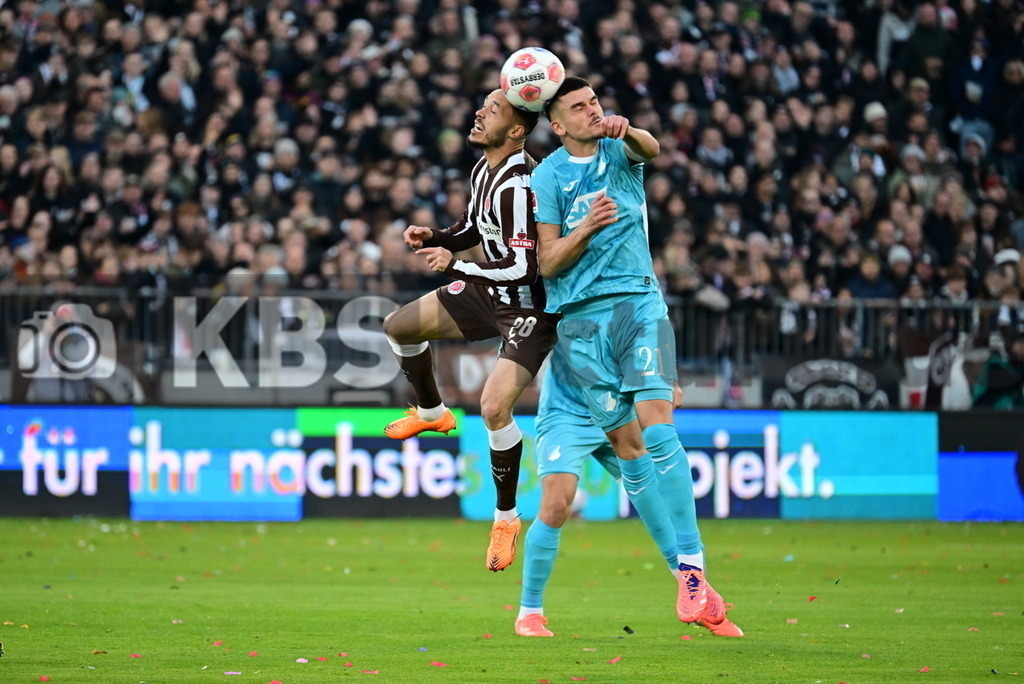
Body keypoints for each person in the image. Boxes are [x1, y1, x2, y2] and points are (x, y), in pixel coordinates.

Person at [531, 76, 742, 636]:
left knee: (656, 422)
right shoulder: (545, 176)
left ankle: (692, 567)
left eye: (595, 101)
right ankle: (683, 576)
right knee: (628, 447)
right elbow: (548, 261)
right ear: (557, 124)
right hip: (579, 324)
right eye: (579, 107)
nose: (592, 111)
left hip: (637, 305)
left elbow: (650, 147)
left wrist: (633, 130)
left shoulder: (621, 150)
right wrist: (584, 228)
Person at [382, 89, 559, 572]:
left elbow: (524, 268)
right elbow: (475, 231)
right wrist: (438, 238)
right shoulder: (485, 170)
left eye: (494, 109)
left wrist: (456, 267)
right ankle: (432, 411)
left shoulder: (520, 186)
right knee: (399, 326)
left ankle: (505, 518)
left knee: (493, 407)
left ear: (517, 130)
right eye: (483, 104)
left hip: (527, 309)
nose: (480, 112)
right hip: (487, 290)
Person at [515, 348, 685, 637]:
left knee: (662, 501)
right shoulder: (559, 302)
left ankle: (698, 595)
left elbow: (650, 332)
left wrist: (669, 378)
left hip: (616, 411)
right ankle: (529, 612)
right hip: (565, 416)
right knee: (556, 505)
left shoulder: (629, 307)